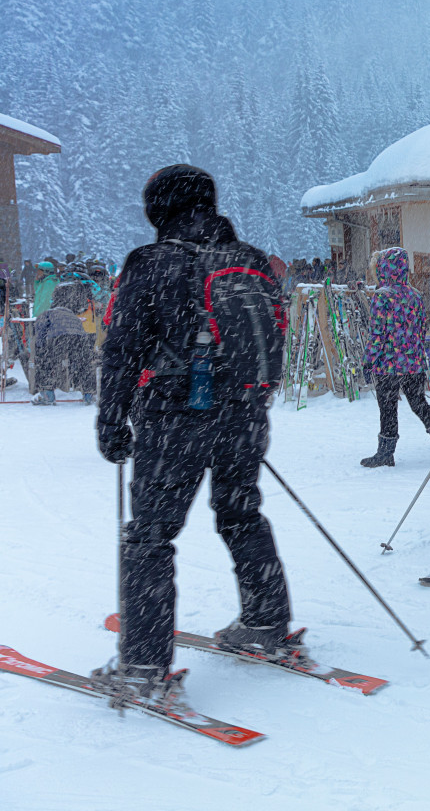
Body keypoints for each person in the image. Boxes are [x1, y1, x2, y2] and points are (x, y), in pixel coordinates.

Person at [91, 165, 293, 707]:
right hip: (246, 413)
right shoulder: (250, 261)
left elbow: (122, 349)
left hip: (176, 416)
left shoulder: (152, 263)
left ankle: (143, 665)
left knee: (150, 535)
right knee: (241, 513)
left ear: (159, 209)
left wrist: (111, 418)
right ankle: (266, 618)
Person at [358, 247, 430, 467]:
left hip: (388, 366)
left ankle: (386, 453)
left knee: (388, 409)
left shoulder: (382, 297)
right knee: (419, 404)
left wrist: (368, 361)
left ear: (383, 268)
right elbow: (420, 332)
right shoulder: (416, 295)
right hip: (414, 364)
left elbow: (377, 335)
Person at [32, 281, 98, 405]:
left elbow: (40, 335)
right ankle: (89, 394)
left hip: (57, 337)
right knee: (83, 365)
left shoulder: (47, 313)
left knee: (45, 363)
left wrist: (40, 351)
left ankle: (47, 394)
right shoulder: (72, 315)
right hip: (79, 338)